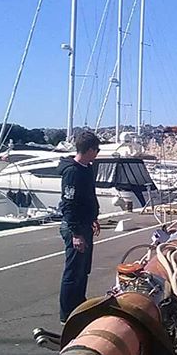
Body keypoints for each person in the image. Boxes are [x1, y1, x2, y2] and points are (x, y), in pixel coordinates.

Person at [58, 130, 101, 323]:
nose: (98, 153)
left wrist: (93, 217)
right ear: (89, 149)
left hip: (85, 223)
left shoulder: (86, 169)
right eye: (97, 149)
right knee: (73, 270)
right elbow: (69, 203)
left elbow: (88, 198)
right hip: (75, 227)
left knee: (83, 269)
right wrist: (76, 233)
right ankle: (67, 313)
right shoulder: (72, 172)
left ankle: (79, 304)